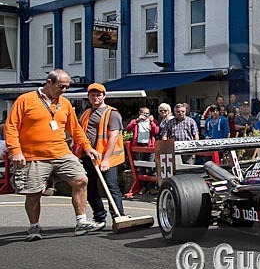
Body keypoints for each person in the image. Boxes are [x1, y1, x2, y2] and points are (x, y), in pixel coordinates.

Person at [3, 69, 104, 240]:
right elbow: (11, 127)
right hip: (34, 155)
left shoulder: (64, 103)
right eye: (61, 86)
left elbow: (75, 128)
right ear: (49, 82)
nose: (64, 90)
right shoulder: (25, 100)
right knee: (34, 193)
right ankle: (34, 227)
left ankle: (81, 222)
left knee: (81, 180)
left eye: (66, 87)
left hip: (61, 152)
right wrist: (16, 151)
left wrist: (87, 147)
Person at [76, 83, 126, 227]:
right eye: (92, 95)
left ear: (104, 96)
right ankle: (99, 216)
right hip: (89, 156)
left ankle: (118, 216)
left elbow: (113, 137)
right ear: (88, 97)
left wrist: (106, 159)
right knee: (89, 187)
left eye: (98, 95)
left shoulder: (112, 113)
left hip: (107, 158)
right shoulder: (86, 113)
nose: (95, 98)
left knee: (111, 186)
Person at [125, 105, 160, 194]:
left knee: (151, 167)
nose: (145, 115)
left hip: (149, 146)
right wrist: (137, 120)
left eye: (147, 113)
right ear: (139, 113)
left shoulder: (152, 121)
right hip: (139, 146)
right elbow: (128, 128)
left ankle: (151, 187)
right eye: (143, 113)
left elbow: (156, 131)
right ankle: (143, 187)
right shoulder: (135, 121)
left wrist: (152, 122)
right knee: (141, 167)